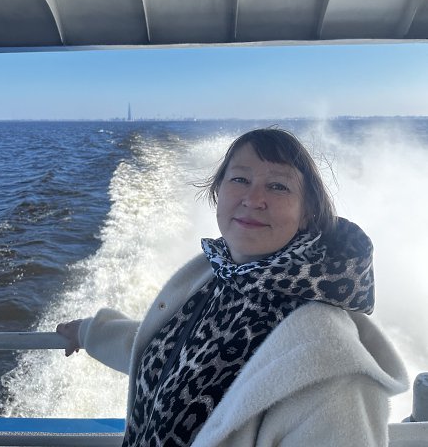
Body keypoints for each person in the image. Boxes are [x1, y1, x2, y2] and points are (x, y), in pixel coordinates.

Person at [57, 127, 408, 447]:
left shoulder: (330, 363)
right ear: (218, 192)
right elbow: (174, 354)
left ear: (307, 213)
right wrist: (90, 332)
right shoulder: (218, 277)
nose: (253, 198)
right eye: (240, 179)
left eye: (278, 186)